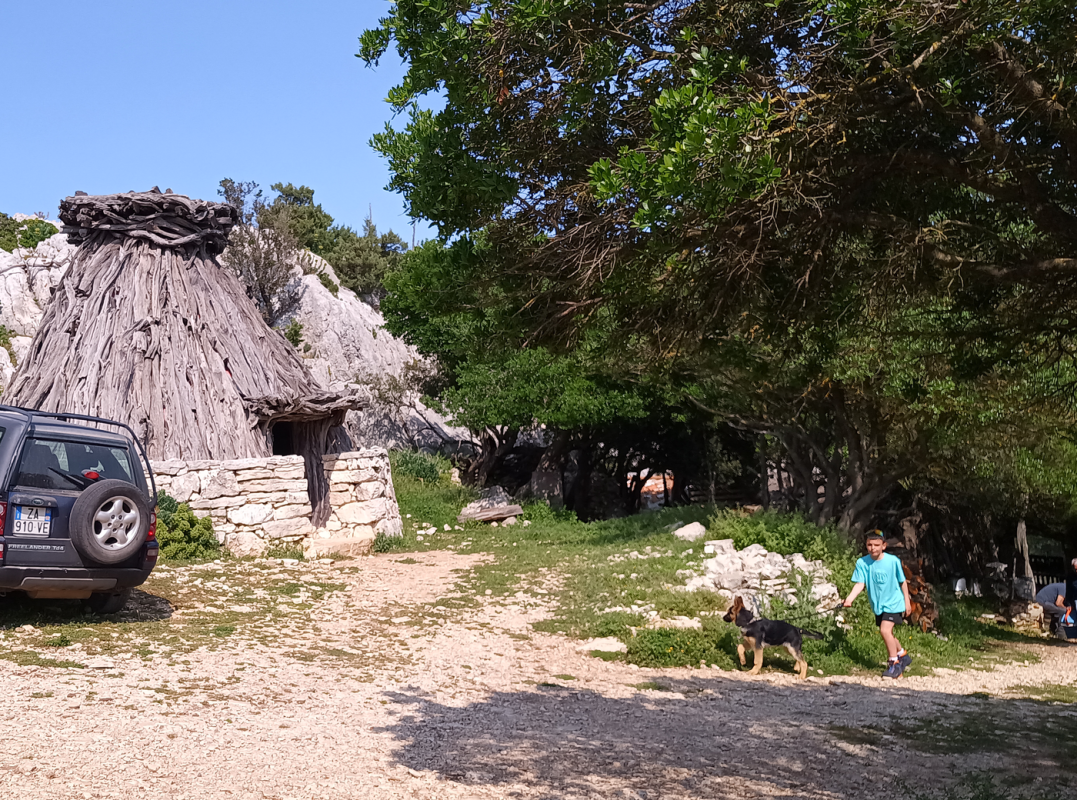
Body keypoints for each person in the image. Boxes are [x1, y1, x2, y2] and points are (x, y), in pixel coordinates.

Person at [842, 530, 913, 678]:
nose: (872, 548)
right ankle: (902, 655)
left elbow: (902, 582)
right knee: (889, 634)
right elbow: (860, 583)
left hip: (894, 603)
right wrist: (849, 599)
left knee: (885, 631)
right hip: (878, 604)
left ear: (884, 545)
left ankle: (894, 664)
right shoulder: (862, 563)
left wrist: (907, 601)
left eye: (876, 545)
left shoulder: (893, 561)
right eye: (869, 544)